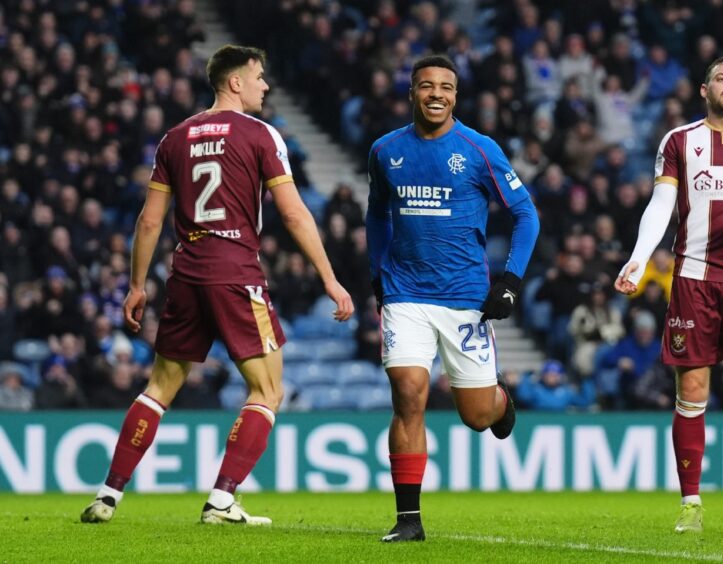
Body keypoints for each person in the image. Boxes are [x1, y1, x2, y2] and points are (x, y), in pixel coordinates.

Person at [81, 45, 354, 525]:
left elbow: (149, 222)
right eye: (259, 77)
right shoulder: (261, 135)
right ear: (235, 82)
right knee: (268, 390)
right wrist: (330, 278)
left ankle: (107, 495)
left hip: (185, 274)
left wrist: (137, 285)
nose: (265, 86)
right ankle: (222, 500)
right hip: (235, 272)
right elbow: (292, 212)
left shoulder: (175, 138)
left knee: (160, 387)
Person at [615, 54, 723, 534]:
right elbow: (661, 204)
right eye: (721, 78)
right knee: (691, 393)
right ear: (704, 89)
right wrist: (638, 256)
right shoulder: (679, 141)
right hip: (692, 278)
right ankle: (691, 503)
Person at [367, 54, 539, 542]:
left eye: (445, 87)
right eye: (426, 86)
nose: (436, 94)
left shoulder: (479, 149)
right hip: (405, 294)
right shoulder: (385, 150)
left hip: (465, 297)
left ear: (456, 96)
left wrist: (510, 282)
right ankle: (408, 522)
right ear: (412, 94)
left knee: (477, 415)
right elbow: (377, 214)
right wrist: (376, 271)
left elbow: (527, 215)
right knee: (407, 393)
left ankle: (501, 400)